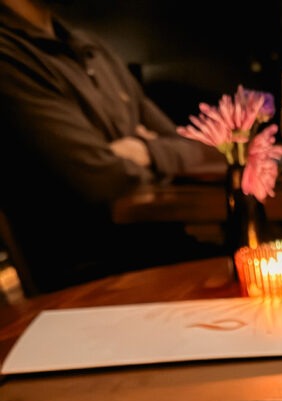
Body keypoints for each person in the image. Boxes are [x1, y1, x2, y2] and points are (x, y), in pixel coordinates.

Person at [0, 0, 228, 293]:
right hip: (89, 277)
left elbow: (200, 151)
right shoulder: (10, 54)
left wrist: (146, 152)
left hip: (159, 253)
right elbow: (101, 178)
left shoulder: (88, 45)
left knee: (265, 263)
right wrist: (157, 156)